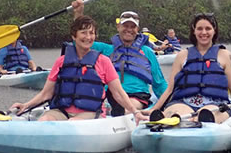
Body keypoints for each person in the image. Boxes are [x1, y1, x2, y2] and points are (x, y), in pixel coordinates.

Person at [10, 16, 147, 123]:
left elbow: (118, 93)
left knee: (72, 122)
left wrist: (135, 112)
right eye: (83, 33)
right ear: (74, 36)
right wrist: (25, 105)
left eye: (91, 33)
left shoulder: (104, 61)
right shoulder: (61, 61)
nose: (88, 37)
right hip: (62, 111)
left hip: (90, 112)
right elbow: (46, 94)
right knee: (44, 120)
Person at [149, 13, 231, 123]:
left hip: (215, 104)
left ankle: (202, 123)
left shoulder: (226, 56)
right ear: (194, 31)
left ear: (214, 30)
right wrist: (154, 109)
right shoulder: (182, 56)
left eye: (208, 28)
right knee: (176, 115)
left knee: (204, 116)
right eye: (199, 29)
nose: (204, 32)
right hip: (183, 102)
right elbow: (170, 89)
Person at [72, 0, 168, 116]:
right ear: (118, 27)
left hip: (136, 97)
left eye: (133, 27)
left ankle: (120, 114)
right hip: (109, 97)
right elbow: (79, 43)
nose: (129, 29)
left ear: (137, 29)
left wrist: (169, 103)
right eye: (125, 26)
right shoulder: (106, 49)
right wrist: (78, 14)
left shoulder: (147, 51)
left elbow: (159, 83)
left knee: (125, 109)